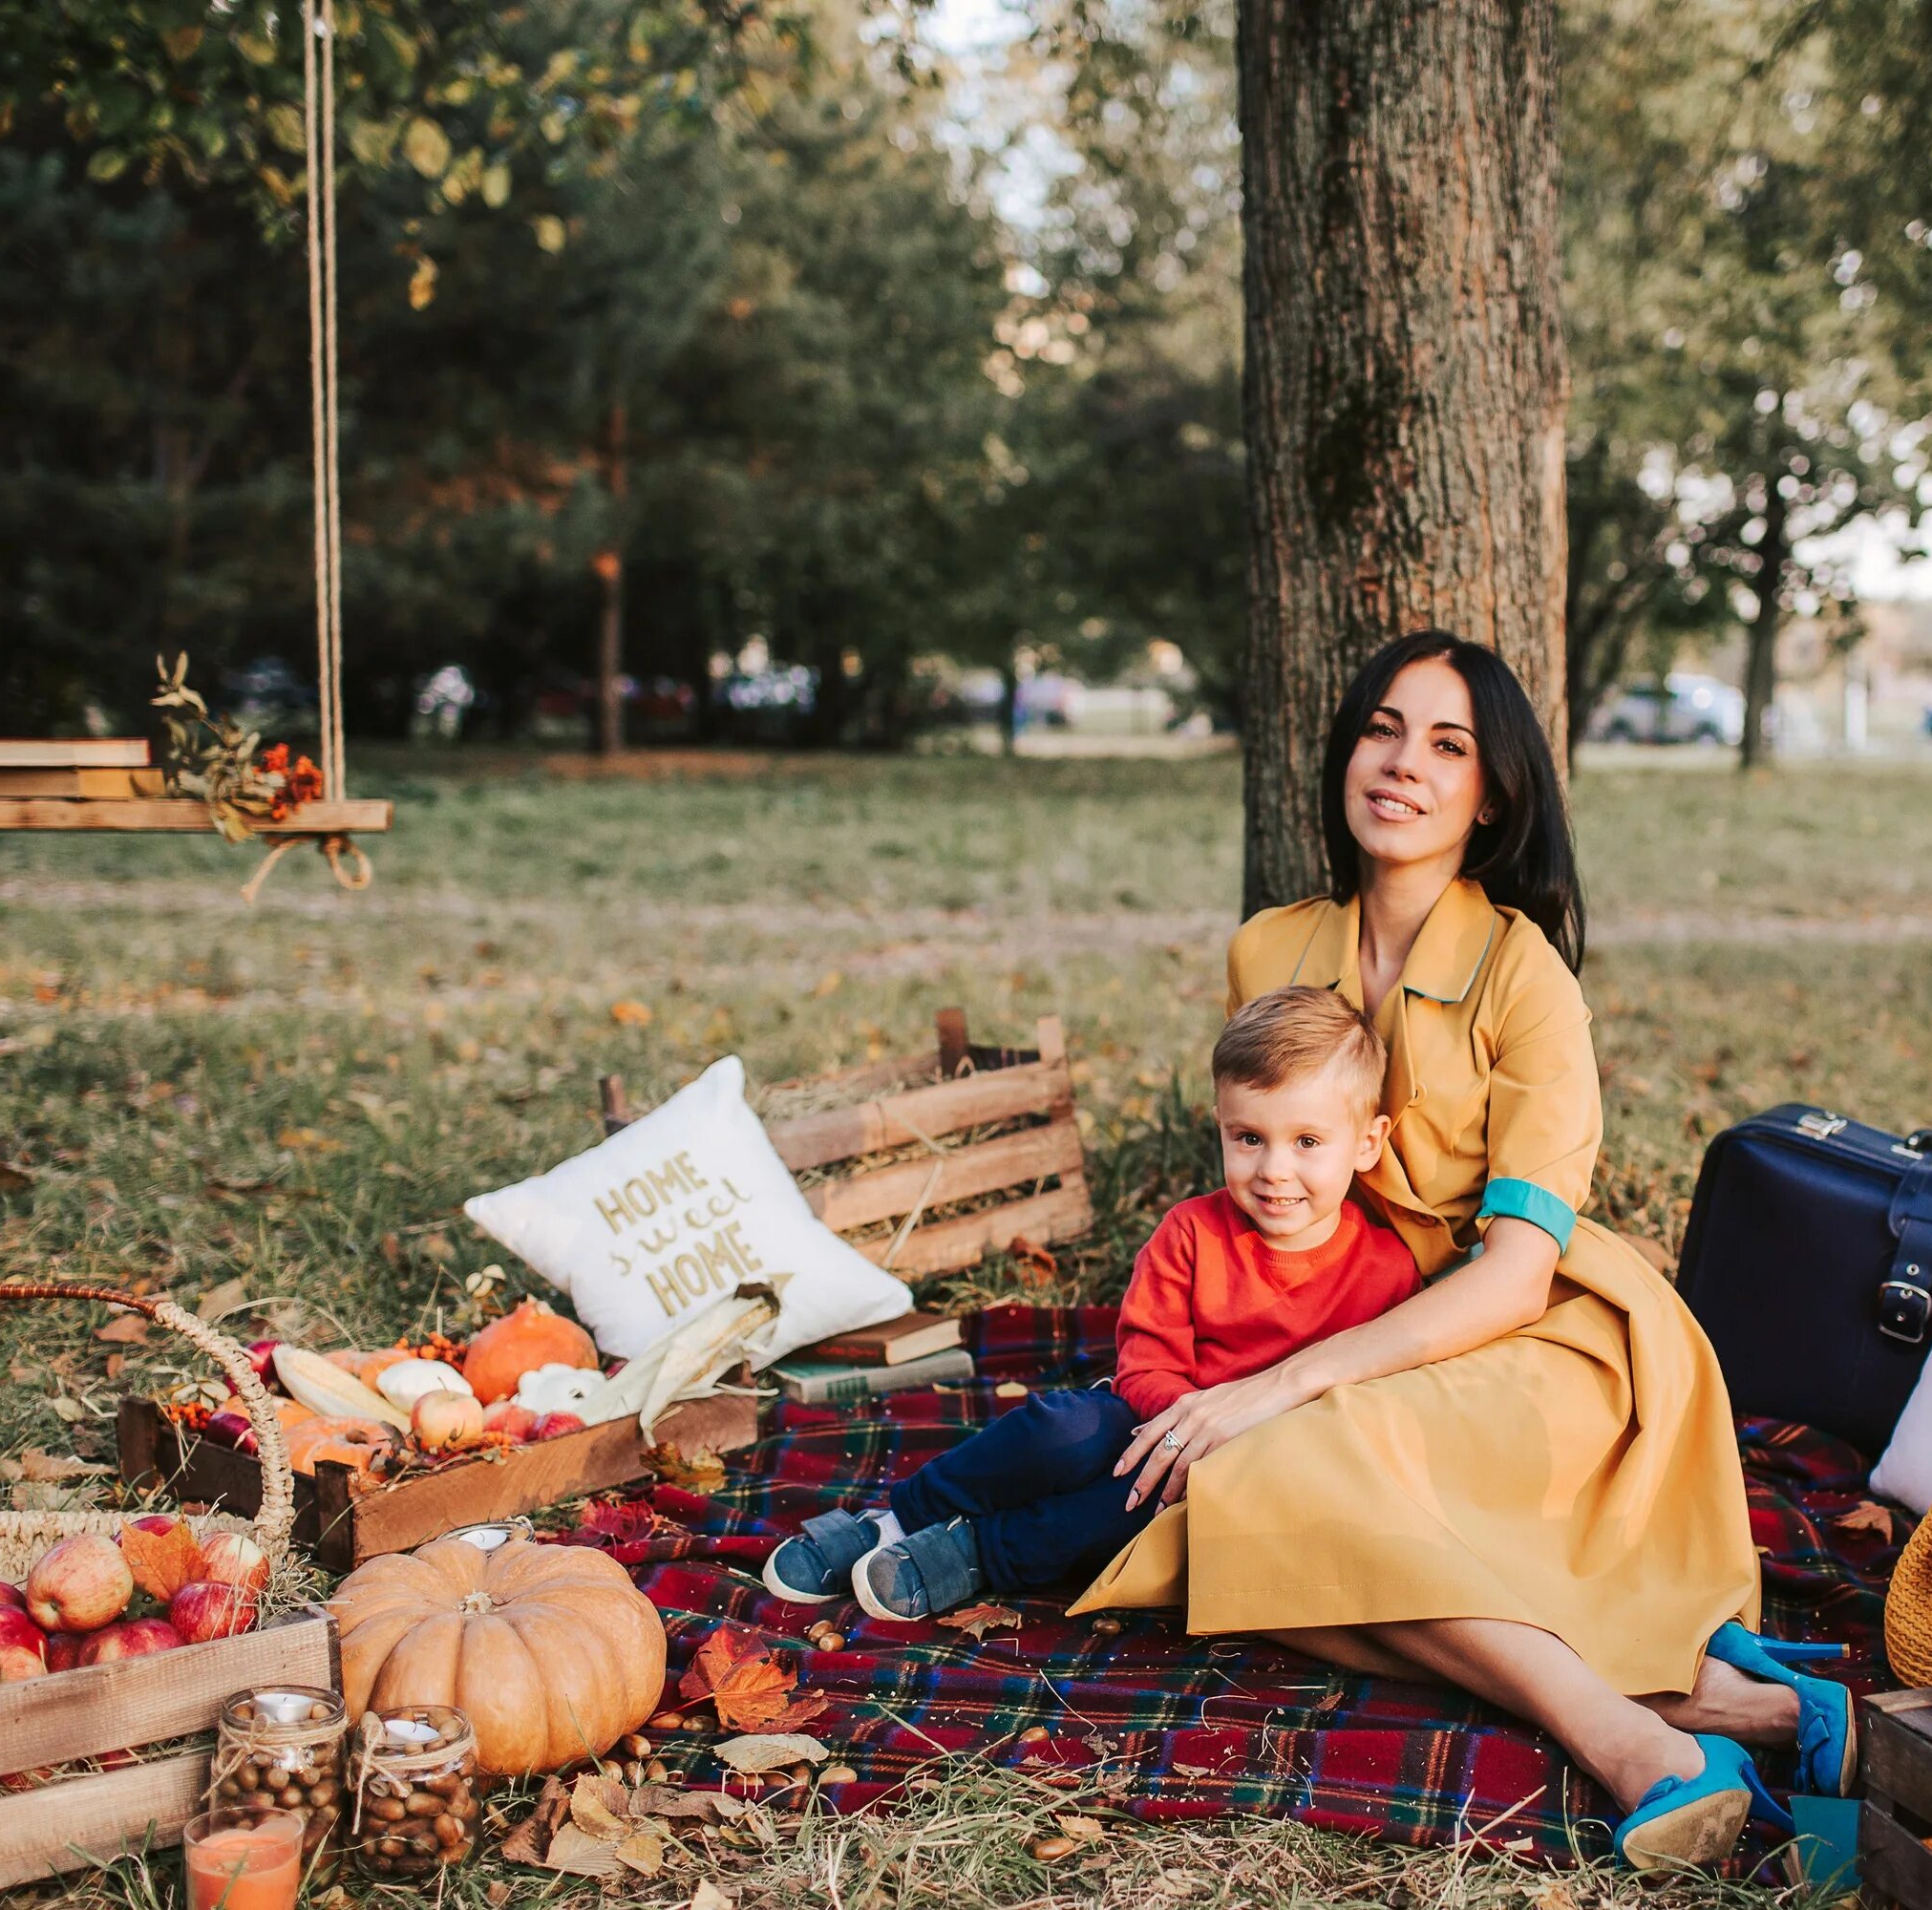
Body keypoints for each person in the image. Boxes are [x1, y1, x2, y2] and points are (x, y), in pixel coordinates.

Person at [1069, 630, 1855, 1872]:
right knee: (1239, 1492)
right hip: (1351, 1316)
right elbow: (1287, 1180)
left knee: (1266, 1476)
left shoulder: (1529, 979)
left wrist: (1275, 1382)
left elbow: (1514, 1271)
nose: (1402, 764)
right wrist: (1264, 1350)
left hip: (1542, 1330)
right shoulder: (1268, 950)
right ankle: (1734, 1707)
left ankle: (1635, 1745)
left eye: (1449, 746)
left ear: (1490, 798)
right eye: (1382, 727)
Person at [762, 986, 1422, 1621]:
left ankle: (978, 1552)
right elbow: (1145, 1365)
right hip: (1148, 1422)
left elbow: (1378, 1402)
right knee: (1065, 1432)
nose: (1274, 1168)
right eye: (1249, 1138)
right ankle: (900, 1514)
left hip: (1242, 1478)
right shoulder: (1191, 1233)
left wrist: (1230, 1449)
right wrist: (1186, 1426)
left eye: (1307, 1142)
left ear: (1366, 1143)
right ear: (1220, 1127)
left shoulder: (1389, 1274)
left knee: (1118, 1512)